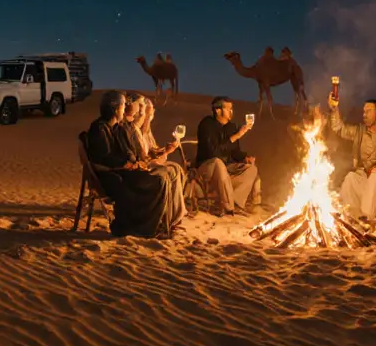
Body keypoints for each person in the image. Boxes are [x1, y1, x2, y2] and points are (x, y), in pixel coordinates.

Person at [85, 90, 182, 239]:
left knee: (161, 179)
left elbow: (127, 151)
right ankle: (144, 229)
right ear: (116, 108)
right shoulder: (99, 128)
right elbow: (104, 158)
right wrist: (127, 164)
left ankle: (151, 226)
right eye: (123, 106)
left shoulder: (116, 127)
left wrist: (133, 162)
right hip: (111, 176)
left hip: (124, 172)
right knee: (159, 180)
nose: (124, 109)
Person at [327, 94, 376, 221]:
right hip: (363, 174)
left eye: (369, 111)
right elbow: (339, 128)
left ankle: (372, 219)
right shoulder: (359, 131)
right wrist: (334, 109)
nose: (364, 114)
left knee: (375, 176)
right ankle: (351, 217)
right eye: (364, 111)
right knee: (350, 178)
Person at [194, 96, 262, 214]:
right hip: (208, 168)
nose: (231, 111)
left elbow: (235, 152)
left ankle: (235, 203)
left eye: (232, 108)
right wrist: (236, 136)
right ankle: (227, 207)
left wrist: (244, 158)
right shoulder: (207, 125)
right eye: (228, 109)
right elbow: (213, 153)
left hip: (227, 169)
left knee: (251, 169)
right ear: (218, 110)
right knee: (218, 163)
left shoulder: (231, 127)